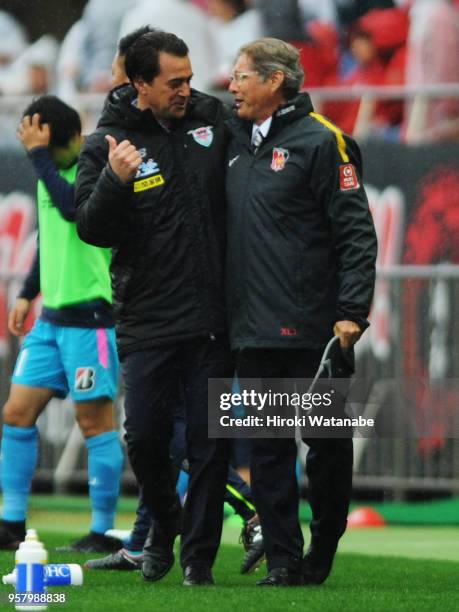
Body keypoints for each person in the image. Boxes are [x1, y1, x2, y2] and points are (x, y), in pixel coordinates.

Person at [83, 26, 265, 576]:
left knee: (210, 446)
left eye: (188, 78)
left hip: (211, 317)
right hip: (147, 316)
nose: (186, 90)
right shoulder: (108, 143)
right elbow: (91, 227)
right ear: (140, 83)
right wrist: (115, 181)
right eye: (173, 82)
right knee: (144, 436)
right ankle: (168, 522)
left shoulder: (211, 119)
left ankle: (198, 566)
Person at [225, 38, 377, 586]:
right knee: (265, 449)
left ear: (275, 82)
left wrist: (352, 310)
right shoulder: (235, 139)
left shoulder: (324, 142)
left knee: (327, 447)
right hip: (252, 326)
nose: (231, 85)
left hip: (315, 328)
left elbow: (357, 234)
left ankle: (325, 546)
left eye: (242, 76)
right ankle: (284, 559)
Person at [0, 96, 124, 553]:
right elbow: (49, 241)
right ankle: (11, 523)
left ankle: (103, 529)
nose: (42, 160)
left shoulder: (97, 169)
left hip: (91, 319)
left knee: (93, 422)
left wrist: (38, 157)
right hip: (51, 321)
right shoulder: (48, 174)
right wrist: (27, 293)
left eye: (47, 151)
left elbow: (73, 210)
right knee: (16, 413)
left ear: (73, 138)